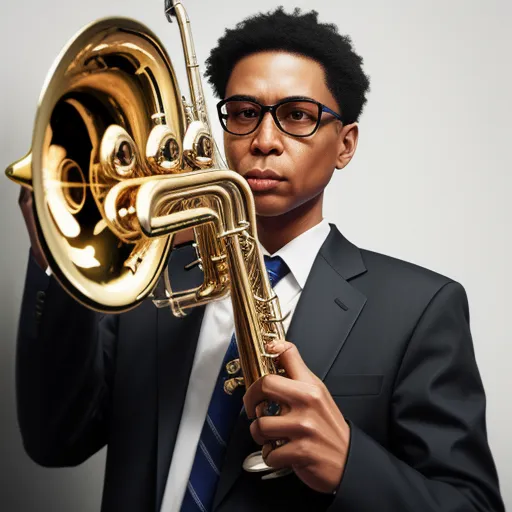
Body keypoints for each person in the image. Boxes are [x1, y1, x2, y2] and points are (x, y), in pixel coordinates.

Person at [16, 7, 504, 512]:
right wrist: (56, 258)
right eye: (245, 113)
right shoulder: (148, 280)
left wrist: (349, 464)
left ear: (346, 144)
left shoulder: (421, 308)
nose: (264, 141)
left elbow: (473, 504)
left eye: (297, 115)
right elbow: (54, 441)